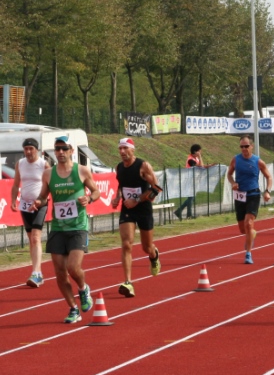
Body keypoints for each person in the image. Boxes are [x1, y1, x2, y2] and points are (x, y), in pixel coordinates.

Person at [28, 136, 98, 323]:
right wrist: (38, 202)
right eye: (57, 149)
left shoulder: (82, 171)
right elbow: (43, 197)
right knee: (60, 273)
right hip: (58, 227)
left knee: (73, 268)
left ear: (71, 151)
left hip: (78, 227)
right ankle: (73, 309)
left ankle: (83, 288)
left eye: (64, 149)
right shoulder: (48, 174)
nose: (60, 152)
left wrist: (89, 198)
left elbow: (96, 191)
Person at [111, 138, 162, 298]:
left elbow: (156, 188)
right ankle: (128, 282)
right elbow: (121, 185)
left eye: (125, 148)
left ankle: (154, 256)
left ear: (132, 150)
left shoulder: (143, 166)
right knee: (127, 244)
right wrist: (118, 197)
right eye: (120, 149)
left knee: (146, 247)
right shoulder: (119, 167)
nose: (122, 152)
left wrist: (137, 200)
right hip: (127, 209)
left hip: (143, 209)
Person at [10, 138, 51, 288]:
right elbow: (16, 184)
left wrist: (42, 200)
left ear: (37, 150)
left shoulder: (43, 164)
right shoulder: (20, 164)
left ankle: (36, 272)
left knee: (35, 237)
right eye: (26, 149)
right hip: (25, 205)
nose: (28, 152)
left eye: (31, 149)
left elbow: (50, 185)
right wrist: (13, 200)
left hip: (40, 205)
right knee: (31, 239)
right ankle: (37, 271)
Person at [226, 135, 273, 264]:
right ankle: (252, 234)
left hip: (253, 194)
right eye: (242, 146)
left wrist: (267, 191)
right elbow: (229, 174)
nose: (244, 149)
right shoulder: (235, 160)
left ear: (251, 146)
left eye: (246, 146)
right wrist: (233, 183)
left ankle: (248, 253)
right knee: (243, 229)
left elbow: (269, 177)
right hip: (240, 195)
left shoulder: (258, 161)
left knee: (248, 223)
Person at [174, 144, 217, 220]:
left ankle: (179, 211)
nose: (200, 153)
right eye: (199, 151)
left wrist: (211, 165)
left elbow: (202, 166)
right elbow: (200, 166)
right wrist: (200, 157)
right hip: (190, 180)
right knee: (191, 197)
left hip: (194, 180)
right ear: (195, 151)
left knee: (191, 197)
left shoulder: (195, 158)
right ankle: (188, 214)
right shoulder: (190, 160)